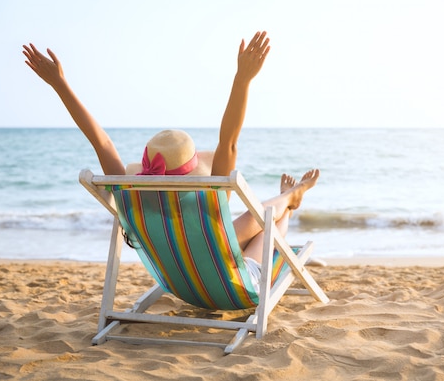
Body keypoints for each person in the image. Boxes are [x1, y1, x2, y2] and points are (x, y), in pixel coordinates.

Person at [23, 31, 319, 292]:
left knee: (245, 223)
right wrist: (242, 80)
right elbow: (228, 141)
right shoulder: (212, 201)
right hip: (235, 286)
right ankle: (289, 204)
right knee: (267, 224)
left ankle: (288, 197)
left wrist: (59, 84)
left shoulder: (133, 201)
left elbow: (101, 142)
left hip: (181, 284)